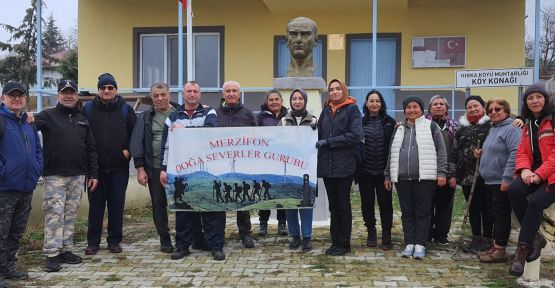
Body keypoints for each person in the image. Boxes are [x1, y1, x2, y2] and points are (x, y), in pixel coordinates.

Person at [34, 80, 99, 272]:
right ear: (58, 95)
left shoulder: (82, 120)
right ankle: (52, 254)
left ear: (76, 96)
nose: (69, 96)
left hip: (78, 175)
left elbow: (91, 149)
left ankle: (65, 250)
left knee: (70, 214)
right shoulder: (47, 116)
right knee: (54, 214)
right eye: (65, 92)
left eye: (72, 92)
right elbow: (27, 127)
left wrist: (93, 173)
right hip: (55, 175)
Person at [159, 81, 226, 261]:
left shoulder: (209, 112)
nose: (192, 94)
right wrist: (163, 169)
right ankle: (182, 245)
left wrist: (185, 130)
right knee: (184, 209)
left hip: (207, 169)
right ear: (183, 93)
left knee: (212, 207)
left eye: (195, 91)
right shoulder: (172, 118)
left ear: (200, 94)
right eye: (188, 91)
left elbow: (209, 132)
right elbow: (166, 146)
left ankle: (216, 246)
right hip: (182, 170)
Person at [384, 96, 447, 259]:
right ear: (404, 110)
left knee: (423, 211)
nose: (412, 110)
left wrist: (441, 173)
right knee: (407, 212)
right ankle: (409, 242)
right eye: (409, 107)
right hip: (402, 178)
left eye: (415, 107)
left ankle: (420, 243)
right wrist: (388, 175)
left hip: (425, 178)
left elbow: (441, 151)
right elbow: (391, 153)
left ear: (422, 109)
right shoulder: (399, 128)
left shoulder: (431, 126)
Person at [82, 73, 137, 255]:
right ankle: (93, 243)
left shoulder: (125, 110)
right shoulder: (88, 109)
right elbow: (82, 135)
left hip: (118, 168)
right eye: (103, 88)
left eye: (110, 88)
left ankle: (114, 241)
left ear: (115, 90)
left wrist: (128, 151)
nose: (107, 91)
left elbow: (134, 133)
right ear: (98, 90)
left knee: (116, 205)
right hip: (95, 169)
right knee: (95, 207)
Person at [508, 84, 555, 276]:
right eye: (530, 98)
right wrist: (525, 169)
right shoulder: (528, 123)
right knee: (514, 190)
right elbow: (523, 151)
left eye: (538, 97)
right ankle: (535, 238)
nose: (535, 101)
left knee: (536, 201)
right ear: (526, 102)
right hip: (534, 172)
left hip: (551, 175)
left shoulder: (552, 120)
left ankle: (521, 251)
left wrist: (539, 174)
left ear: (546, 100)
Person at [0, 82, 43, 287]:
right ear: (3, 99)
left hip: (26, 187)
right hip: (4, 189)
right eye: (12, 96)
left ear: (25, 99)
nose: (16, 99)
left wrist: (36, 170)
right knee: (1, 232)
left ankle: (9, 267)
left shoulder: (29, 123)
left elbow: (38, 151)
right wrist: (3, 172)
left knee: (16, 231)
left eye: (20, 96)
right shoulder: (1, 121)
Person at [130, 82, 180, 253]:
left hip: (180, 168)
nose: (160, 98)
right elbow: (137, 143)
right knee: (159, 204)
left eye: (163, 95)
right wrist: (140, 168)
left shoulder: (180, 113)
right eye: (156, 96)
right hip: (156, 167)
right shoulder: (145, 117)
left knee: (183, 203)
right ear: (151, 98)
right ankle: (165, 239)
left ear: (169, 96)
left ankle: (185, 237)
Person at [316, 79, 363, 256]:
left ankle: (344, 244)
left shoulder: (352, 109)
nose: (335, 92)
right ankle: (335, 241)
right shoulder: (326, 110)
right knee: (333, 206)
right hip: (327, 166)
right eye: (331, 89)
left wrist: (329, 142)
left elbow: (355, 136)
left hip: (344, 166)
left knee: (343, 205)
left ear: (343, 90)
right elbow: (319, 131)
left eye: (338, 89)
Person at [475, 98, 521, 263]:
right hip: (489, 181)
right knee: (494, 215)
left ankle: (500, 251)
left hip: (501, 180)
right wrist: (481, 154)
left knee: (501, 216)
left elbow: (515, 153)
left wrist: (507, 178)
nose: (493, 112)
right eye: (491, 110)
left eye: (498, 109)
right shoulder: (493, 129)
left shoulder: (512, 129)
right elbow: (495, 151)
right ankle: (496, 246)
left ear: (506, 112)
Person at [215, 80, 256, 249]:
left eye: (234, 91)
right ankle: (219, 234)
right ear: (223, 94)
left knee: (242, 199)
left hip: (242, 163)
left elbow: (256, 135)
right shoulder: (214, 113)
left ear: (239, 94)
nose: (231, 93)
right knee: (220, 198)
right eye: (228, 91)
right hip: (219, 162)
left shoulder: (248, 113)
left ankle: (245, 233)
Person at [449, 95, 493, 254]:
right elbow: (454, 152)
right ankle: (476, 237)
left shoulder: (491, 125)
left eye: (476, 106)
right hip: (467, 177)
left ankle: (488, 239)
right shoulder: (461, 129)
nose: (473, 109)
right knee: (473, 208)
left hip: (487, 176)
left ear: (483, 107)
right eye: (469, 107)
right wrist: (452, 174)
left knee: (487, 209)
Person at [358, 90, 396, 250]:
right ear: (366, 103)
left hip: (383, 172)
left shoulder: (390, 122)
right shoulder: (359, 122)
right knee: (367, 203)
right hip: (365, 172)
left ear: (382, 104)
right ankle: (371, 232)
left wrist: (390, 172)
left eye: (377, 101)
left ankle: (386, 234)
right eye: (371, 101)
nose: (374, 104)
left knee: (386, 204)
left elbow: (394, 147)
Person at [282, 89, 317, 252]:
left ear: (305, 100)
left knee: (306, 203)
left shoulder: (314, 120)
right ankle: (295, 236)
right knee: (290, 203)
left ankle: (307, 237)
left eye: (300, 98)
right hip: (289, 167)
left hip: (307, 168)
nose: (297, 101)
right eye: (294, 99)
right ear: (290, 102)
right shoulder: (283, 121)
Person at [426, 95, 457, 245]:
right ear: (430, 108)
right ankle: (426, 233)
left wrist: (451, 173)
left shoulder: (455, 127)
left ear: (446, 108)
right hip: (427, 172)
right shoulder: (423, 125)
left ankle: (441, 234)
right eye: (435, 104)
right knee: (426, 205)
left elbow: (455, 152)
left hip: (447, 172)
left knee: (445, 206)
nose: (438, 106)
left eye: (441, 104)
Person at [257, 89, 288, 237]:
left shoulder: (288, 117)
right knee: (265, 193)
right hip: (265, 161)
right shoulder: (260, 118)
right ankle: (263, 223)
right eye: (271, 100)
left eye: (277, 99)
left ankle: (282, 223)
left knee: (281, 191)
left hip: (283, 161)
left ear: (281, 101)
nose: (274, 102)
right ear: (267, 102)